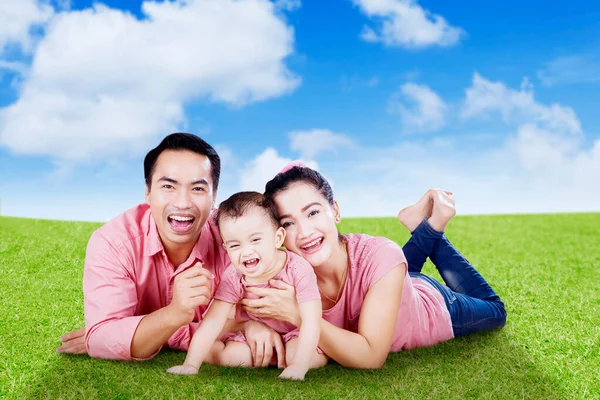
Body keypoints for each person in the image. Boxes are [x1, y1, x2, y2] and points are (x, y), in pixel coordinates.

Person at [240, 162, 507, 368]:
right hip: (390, 282)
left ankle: (431, 226)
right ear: (278, 234)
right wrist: (250, 326)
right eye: (288, 223)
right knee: (392, 268)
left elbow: (370, 356)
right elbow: (227, 313)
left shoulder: (381, 256)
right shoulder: (280, 272)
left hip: (432, 307)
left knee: (495, 310)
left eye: (313, 212)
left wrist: (298, 315)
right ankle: (421, 228)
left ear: (335, 211)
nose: (304, 231)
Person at [56, 133, 286, 364]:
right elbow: (101, 338)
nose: (183, 203)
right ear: (148, 191)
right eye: (168, 186)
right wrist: (175, 315)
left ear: (214, 196)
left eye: (197, 189)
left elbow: (276, 317)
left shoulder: (238, 238)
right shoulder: (113, 243)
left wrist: (249, 324)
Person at [167, 191, 326, 380]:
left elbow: (311, 320)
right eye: (235, 245)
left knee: (299, 356)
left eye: (255, 240)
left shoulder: (298, 269)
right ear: (226, 247)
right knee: (229, 356)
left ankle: (298, 360)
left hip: (295, 333)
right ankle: (265, 356)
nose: (246, 252)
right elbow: (213, 321)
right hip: (252, 338)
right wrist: (191, 364)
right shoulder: (234, 275)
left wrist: (299, 367)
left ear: (277, 238)